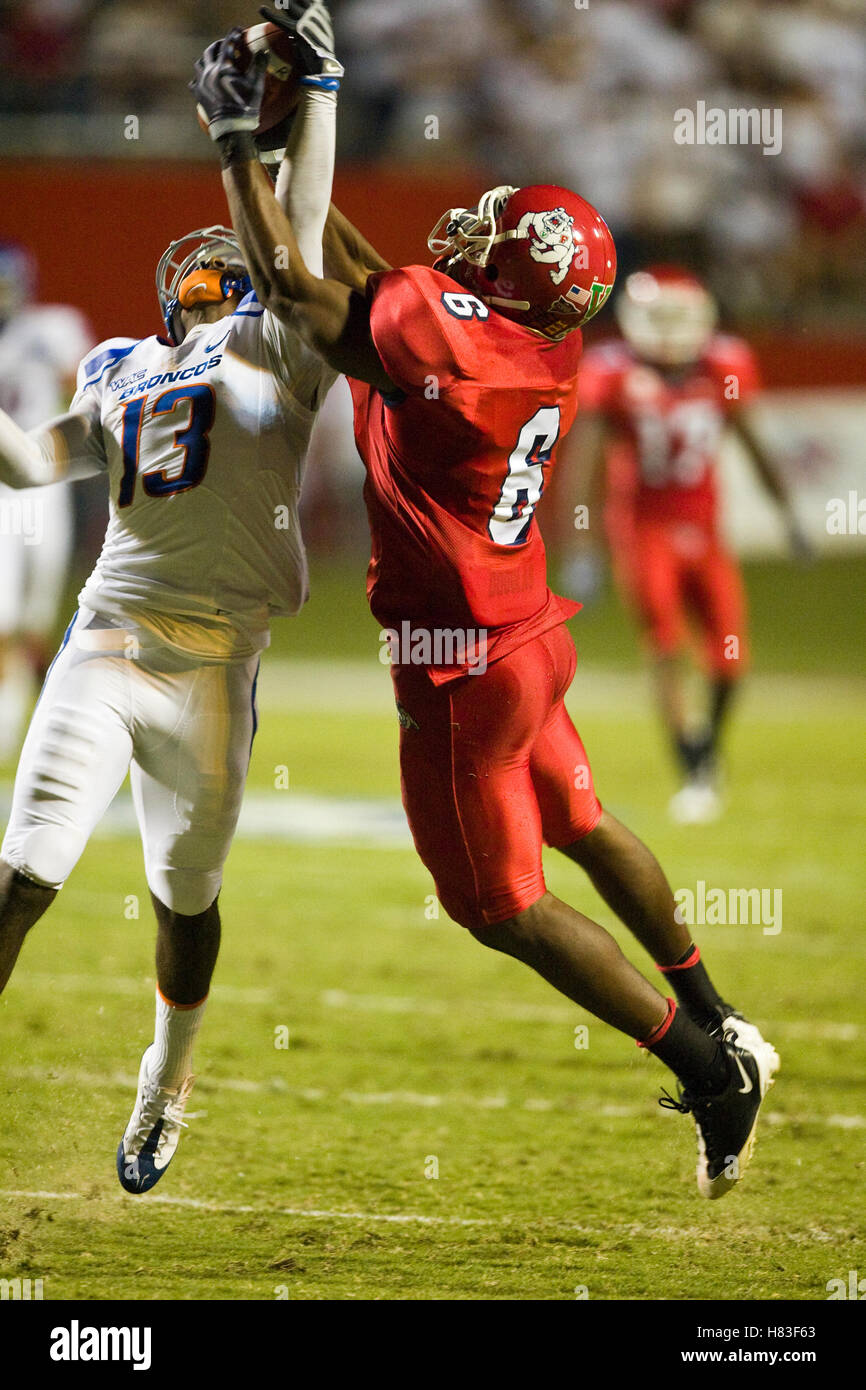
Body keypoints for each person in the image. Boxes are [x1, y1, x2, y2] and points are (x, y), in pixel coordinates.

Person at [193, 7, 779, 1199]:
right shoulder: (529, 341)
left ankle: (709, 1071)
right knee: (585, 819)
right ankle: (719, 1010)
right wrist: (305, 105)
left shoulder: (456, 345)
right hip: (523, 637)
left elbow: (298, 285)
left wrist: (230, 146)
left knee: (500, 906)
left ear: (507, 278)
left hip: (460, 664)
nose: (471, 226)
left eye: (494, 230)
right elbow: (344, 266)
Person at [0, 2, 342, 1194]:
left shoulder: (280, 345)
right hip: (109, 639)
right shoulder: (121, 370)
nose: (207, 278)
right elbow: (32, 461)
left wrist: (323, 97)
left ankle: (164, 1079)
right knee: (22, 874)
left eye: (224, 268)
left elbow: (299, 224)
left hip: (215, 669)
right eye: (192, 275)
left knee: (183, 901)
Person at [566, 265, 808, 822]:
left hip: (705, 528)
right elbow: (584, 465)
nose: (671, 330)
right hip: (642, 529)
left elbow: (752, 443)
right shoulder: (615, 371)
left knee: (729, 656)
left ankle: (707, 746)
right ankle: (690, 764)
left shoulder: (725, 365)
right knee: (665, 645)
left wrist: (788, 515)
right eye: (661, 318)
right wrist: (582, 544)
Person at [0, 243, 94, 760]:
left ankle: (43, 722)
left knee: (37, 621)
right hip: (1, 489)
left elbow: (87, 386)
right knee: (4, 615)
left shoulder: (53, 327)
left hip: (48, 484)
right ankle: (9, 727)